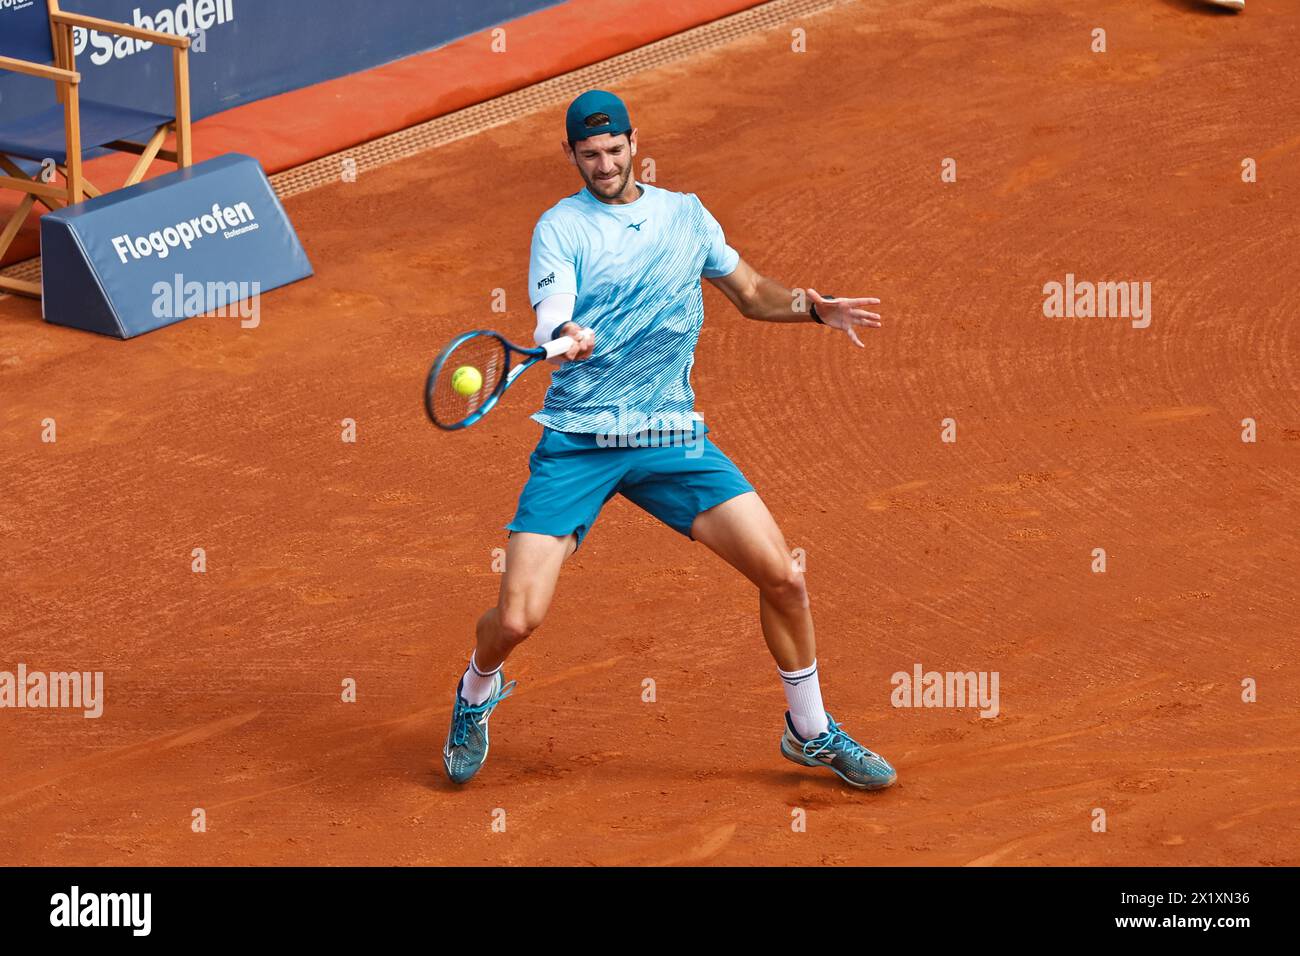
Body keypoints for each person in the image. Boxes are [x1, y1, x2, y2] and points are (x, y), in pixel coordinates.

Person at [442, 89, 896, 791]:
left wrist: (812, 307)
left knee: (784, 577)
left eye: (614, 149)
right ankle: (475, 692)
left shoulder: (685, 215)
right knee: (519, 617)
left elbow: (747, 292)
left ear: (633, 142)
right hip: (579, 442)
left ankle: (811, 733)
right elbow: (551, 310)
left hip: (668, 436)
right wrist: (561, 337)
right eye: (588, 154)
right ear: (570, 155)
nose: (604, 164)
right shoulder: (561, 227)